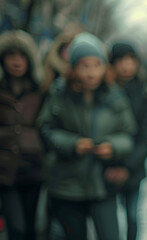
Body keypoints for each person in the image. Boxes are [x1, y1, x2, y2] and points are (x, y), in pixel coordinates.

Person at [36, 32, 136, 240]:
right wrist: (73, 144)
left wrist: (112, 146)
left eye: (96, 65)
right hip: (67, 184)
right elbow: (45, 129)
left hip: (102, 183)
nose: (91, 73)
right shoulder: (59, 93)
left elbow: (128, 134)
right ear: (73, 68)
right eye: (84, 66)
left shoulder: (114, 95)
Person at [109, 42, 147, 240]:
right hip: (106, 167)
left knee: (132, 216)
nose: (126, 66)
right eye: (121, 61)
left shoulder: (145, 93)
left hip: (134, 167)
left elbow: (146, 135)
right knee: (109, 222)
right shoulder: (105, 91)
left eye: (131, 60)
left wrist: (127, 167)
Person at [0, 29, 45, 240]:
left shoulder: (39, 90)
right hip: (5, 169)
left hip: (33, 167)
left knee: (31, 228)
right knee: (16, 228)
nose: (16, 61)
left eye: (21, 55)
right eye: (11, 55)